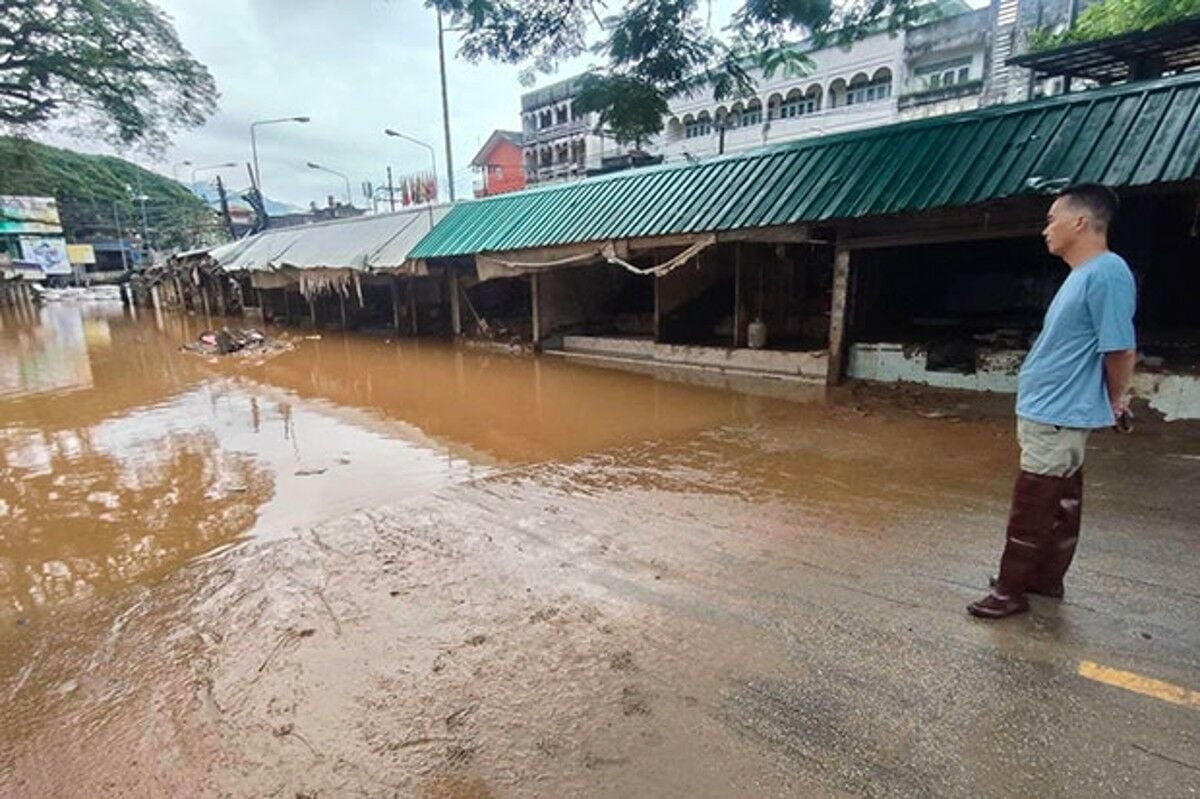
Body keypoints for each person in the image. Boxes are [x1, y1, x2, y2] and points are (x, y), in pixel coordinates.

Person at [968, 183, 1136, 620]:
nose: (1046, 229)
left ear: (1080, 222)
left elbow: (1119, 348)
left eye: (1051, 219)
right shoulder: (1082, 275)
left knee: (1035, 499)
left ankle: (1010, 590)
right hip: (1050, 408)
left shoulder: (1107, 273)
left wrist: (1117, 400)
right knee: (1058, 497)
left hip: (1060, 411)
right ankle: (1041, 578)